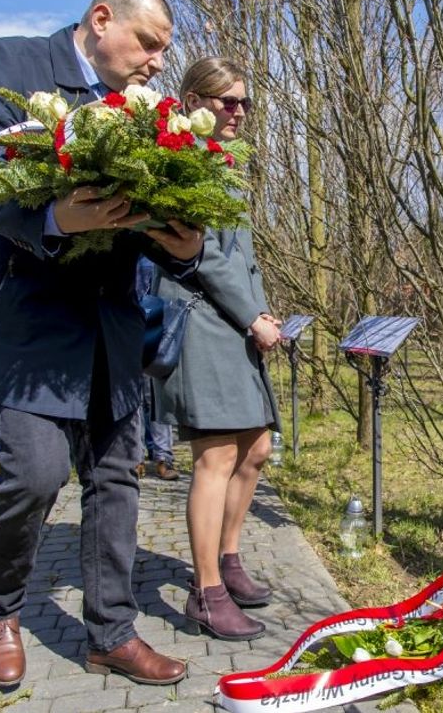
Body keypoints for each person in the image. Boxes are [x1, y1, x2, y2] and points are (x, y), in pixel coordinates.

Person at [0, 0, 204, 689]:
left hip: (108, 327)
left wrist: (183, 246)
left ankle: (110, 632)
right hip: (26, 329)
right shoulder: (9, 65)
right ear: (101, 18)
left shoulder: (145, 113)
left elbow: (145, 214)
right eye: (149, 44)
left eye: (163, 53)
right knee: (36, 471)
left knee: (116, 477)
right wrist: (56, 218)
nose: (155, 63)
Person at [153, 57, 281, 641]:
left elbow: (243, 256)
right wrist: (252, 314)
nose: (237, 111)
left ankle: (229, 562)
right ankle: (205, 593)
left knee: (255, 449)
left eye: (244, 103)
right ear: (191, 99)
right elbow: (198, 251)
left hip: (238, 323)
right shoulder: (179, 159)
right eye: (226, 100)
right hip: (203, 321)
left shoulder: (225, 164)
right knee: (217, 457)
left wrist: (263, 312)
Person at [134, 256, 179, 480]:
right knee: (134, 397)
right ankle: (136, 457)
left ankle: (163, 457)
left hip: (158, 328)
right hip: (131, 325)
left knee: (156, 395)